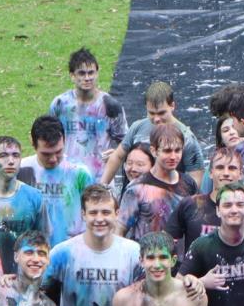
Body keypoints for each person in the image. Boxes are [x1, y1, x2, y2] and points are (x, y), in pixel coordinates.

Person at [102, 80, 206, 191]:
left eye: (161, 113)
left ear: (172, 106)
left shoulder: (187, 138)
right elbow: (117, 156)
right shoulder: (137, 127)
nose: (156, 119)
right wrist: (102, 186)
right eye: (151, 113)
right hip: (134, 192)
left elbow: (196, 179)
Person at [167, 146, 244, 248]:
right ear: (211, 173)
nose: (226, 173)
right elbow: (166, 243)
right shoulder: (190, 205)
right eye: (220, 168)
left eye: (232, 168)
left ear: (241, 174)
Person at [0, 135, 46, 275]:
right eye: (3, 156)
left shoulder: (34, 197)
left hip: (22, 279)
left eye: (16, 156)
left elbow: (43, 241)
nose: (10, 161)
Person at [50, 47, 128, 179]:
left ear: (97, 73)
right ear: (72, 76)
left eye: (91, 73)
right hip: (67, 178)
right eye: (81, 73)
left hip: (100, 179)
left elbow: (127, 141)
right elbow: (48, 139)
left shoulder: (110, 106)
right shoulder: (60, 104)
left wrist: (116, 154)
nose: (87, 78)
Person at [19, 115, 94, 247]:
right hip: (32, 252)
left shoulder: (80, 173)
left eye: (58, 152)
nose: (53, 159)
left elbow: (93, 211)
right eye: (46, 154)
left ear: (64, 140)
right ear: (33, 143)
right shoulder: (21, 171)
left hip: (71, 249)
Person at [117, 123, 195, 241]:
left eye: (177, 150)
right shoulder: (137, 188)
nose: (173, 156)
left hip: (177, 258)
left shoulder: (188, 183)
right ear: (154, 151)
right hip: (146, 256)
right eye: (167, 151)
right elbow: (120, 230)